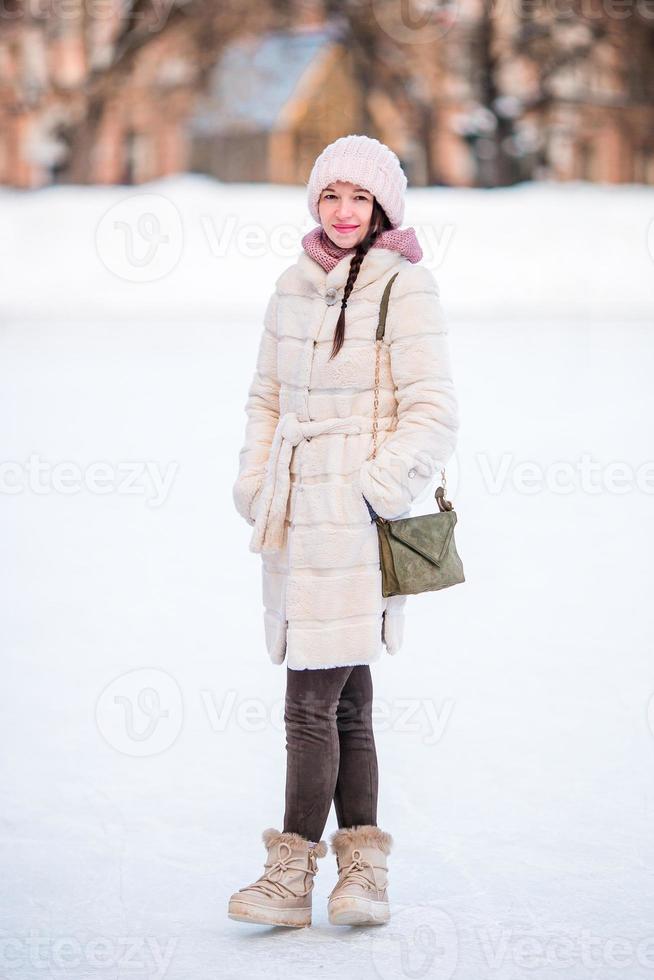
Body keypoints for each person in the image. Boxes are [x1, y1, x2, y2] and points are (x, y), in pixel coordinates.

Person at [228, 134, 459, 928]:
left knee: (308, 704)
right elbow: (263, 398)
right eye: (331, 195)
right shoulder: (291, 286)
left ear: (384, 205)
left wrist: (373, 488)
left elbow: (432, 413)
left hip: (357, 524)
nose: (344, 211)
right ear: (315, 202)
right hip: (296, 520)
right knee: (349, 701)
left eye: (360, 197)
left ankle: (289, 878)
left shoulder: (406, 286)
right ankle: (362, 873)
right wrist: (257, 481)